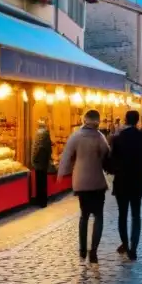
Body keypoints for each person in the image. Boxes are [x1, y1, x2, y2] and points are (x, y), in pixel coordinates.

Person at [58, 109, 111, 263]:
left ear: (84, 120)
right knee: (98, 216)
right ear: (97, 121)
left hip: (80, 182)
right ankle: (93, 250)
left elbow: (66, 156)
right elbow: (106, 154)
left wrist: (62, 173)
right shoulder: (100, 137)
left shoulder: (75, 136)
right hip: (97, 182)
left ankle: (82, 249)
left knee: (84, 215)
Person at [109, 109, 142, 260]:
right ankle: (133, 248)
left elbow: (112, 159)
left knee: (122, 215)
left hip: (122, 180)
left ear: (125, 119)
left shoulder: (117, 139)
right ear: (137, 121)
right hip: (137, 179)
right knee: (136, 215)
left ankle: (125, 244)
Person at [31, 119, 53, 208]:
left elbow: (37, 148)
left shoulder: (39, 133)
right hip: (43, 161)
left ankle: (40, 200)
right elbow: (48, 148)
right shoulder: (45, 133)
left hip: (38, 161)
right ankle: (42, 201)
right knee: (42, 181)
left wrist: (34, 158)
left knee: (39, 182)